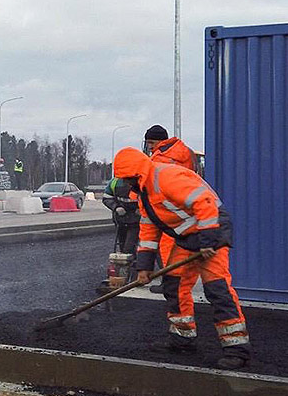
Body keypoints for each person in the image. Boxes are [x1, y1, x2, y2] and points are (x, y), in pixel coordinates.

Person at [113, 147, 250, 370]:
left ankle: (237, 348)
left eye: (128, 179)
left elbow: (204, 203)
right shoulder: (144, 194)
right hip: (188, 238)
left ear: (137, 174)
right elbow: (148, 233)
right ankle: (183, 338)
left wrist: (207, 242)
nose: (127, 184)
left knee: (217, 288)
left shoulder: (167, 177)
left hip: (212, 229)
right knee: (173, 285)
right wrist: (144, 268)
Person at [143, 124, 198, 293]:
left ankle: (171, 284)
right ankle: (182, 281)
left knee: (167, 247)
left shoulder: (160, 158)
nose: (150, 147)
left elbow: (152, 183)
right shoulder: (186, 152)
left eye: (151, 142)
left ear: (160, 141)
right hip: (187, 205)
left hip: (168, 207)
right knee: (182, 248)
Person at [102, 177, 139, 255]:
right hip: (121, 219)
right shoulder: (115, 182)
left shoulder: (141, 181)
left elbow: (151, 198)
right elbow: (107, 198)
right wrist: (116, 207)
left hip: (136, 220)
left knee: (129, 246)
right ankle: (128, 262)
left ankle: (131, 262)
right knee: (122, 244)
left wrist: (142, 209)